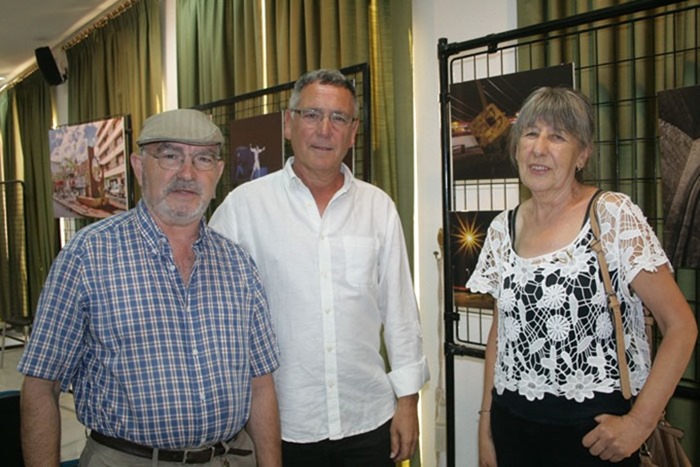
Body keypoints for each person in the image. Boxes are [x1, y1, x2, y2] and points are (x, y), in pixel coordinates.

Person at [19, 109, 282, 467]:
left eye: (202, 159)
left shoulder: (238, 265)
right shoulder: (88, 257)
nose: (187, 174)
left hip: (230, 458)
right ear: (140, 167)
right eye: (170, 155)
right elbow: (41, 386)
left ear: (218, 173)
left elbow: (260, 385)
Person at [209, 69, 430, 466]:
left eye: (339, 118)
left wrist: (408, 401)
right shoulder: (244, 209)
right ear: (288, 123)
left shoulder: (378, 208)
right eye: (311, 114)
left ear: (353, 131)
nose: (325, 129)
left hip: (368, 418)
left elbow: (400, 313)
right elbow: (211, 314)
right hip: (281, 426)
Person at [466, 87, 697, 466]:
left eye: (557, 136)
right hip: (513, 432)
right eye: (530, 133)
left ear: (583, 154)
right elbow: (500, 333)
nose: (539, 148)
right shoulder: (501, 229)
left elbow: (681, 326)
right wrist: (485, 424)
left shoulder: (612, 216)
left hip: (597, 440)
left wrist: (640, 422)